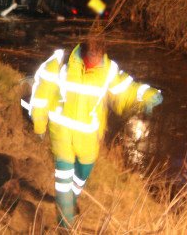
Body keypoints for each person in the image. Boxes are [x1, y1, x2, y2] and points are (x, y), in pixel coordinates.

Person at [25, 35, 163, 227]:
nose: (94, 59)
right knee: (63, 179)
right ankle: (66, 223)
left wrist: (148, 95)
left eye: (98, 55)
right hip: (61, 132)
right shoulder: (60, 62)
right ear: (84, 49)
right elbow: (42, 92)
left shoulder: (108, 71)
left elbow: (127, 89)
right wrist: (39, 123)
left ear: (103, 53)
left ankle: (70, 201)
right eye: (91, 53)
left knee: (82, 175)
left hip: (88, 136)